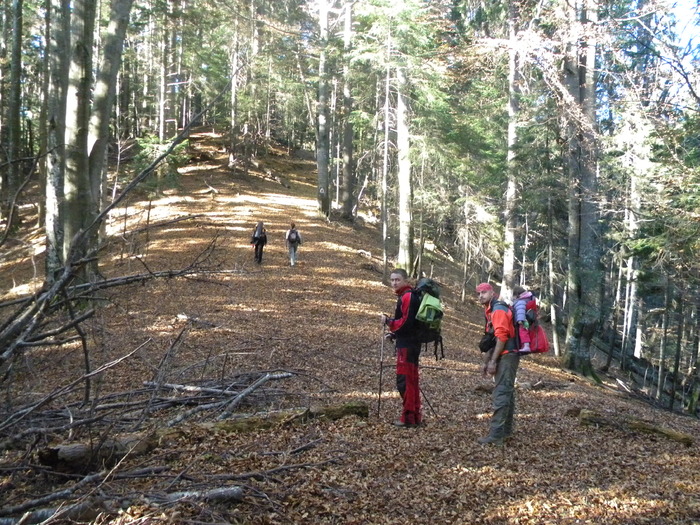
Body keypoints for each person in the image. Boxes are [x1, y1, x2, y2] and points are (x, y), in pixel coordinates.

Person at [476, 282, 519, 445]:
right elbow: (492, 338)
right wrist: (487, 362)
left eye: (484, 292)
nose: (481, 296)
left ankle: (496, 435)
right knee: (506, 391)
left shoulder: (498, 309)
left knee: (501, 393)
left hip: (508, 355)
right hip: (504, 353)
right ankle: (505, 431)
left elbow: (501, 336)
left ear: (492, 293)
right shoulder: (490, 310)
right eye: (478, 293)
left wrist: (493, 361)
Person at [380, 269, 422, 428]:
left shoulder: (408, 296)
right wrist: (395, 335)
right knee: (410, 380)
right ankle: (414, 416)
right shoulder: (407, 295)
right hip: (409, 343)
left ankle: (408, 418)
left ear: (405, 280)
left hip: (408, 347)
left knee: (405, 382)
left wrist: (389, 322)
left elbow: (405, 322)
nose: (394, 283)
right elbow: (408, 325)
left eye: (397, 279)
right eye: (392, 280)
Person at [512, 285, 534, 353]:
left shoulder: (520, 301)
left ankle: (526, 346)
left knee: (523, 332)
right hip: (527, 319)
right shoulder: (527, 299)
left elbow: (520, 311)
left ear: (517, 294)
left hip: (523, 321)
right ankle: (524, 346)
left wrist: (520, 320)